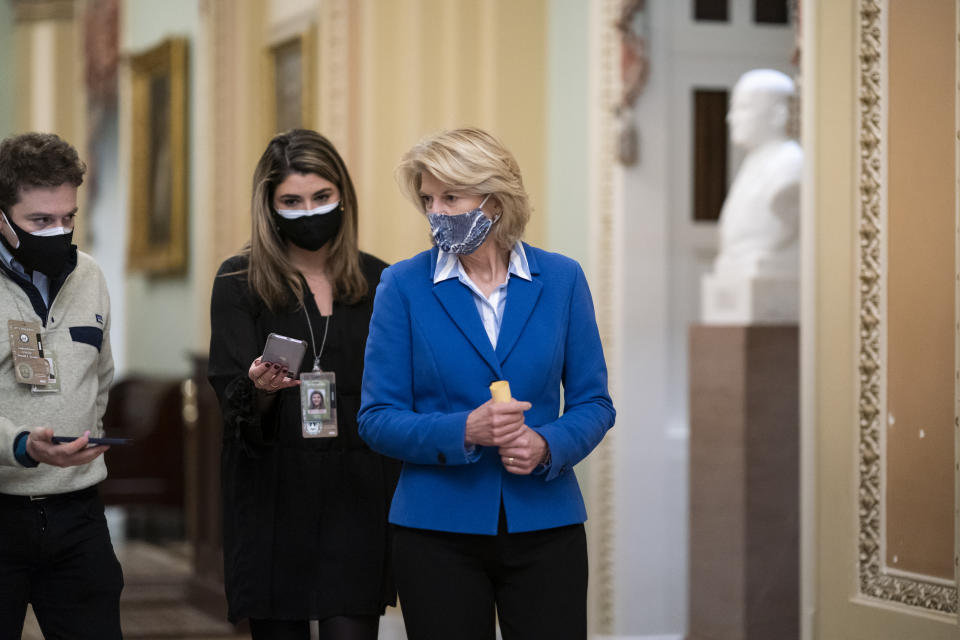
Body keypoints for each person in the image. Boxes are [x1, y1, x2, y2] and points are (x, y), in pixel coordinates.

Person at [358, 127, 616, 640]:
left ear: (495, 202)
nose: (436, 212)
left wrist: (548, 443)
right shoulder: (402, 287)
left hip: (547, 525)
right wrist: (465, 430)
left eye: (450, 197)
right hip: (435, 531)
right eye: (428, 199)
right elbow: (376, 418)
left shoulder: (563, 279)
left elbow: (594, 402)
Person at [208, 129, 400, 640]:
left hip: (357, 493)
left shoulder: (381, 281)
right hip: (274, 496)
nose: (309, 211)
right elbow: (232, 401)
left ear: (343, 197)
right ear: (269, 208)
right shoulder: (238, 281)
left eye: (321, 197)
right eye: (291, 201)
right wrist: (261, 390)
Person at [0, 132, 122, 638]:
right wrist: (21, 445)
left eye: (67, 218)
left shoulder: (90, 276)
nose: (58, 231)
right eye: (39, 221)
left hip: (78, 515)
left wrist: (82, 435)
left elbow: (101, 376)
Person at [714, 68, 802, 278]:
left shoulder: (790, 164)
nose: (730, 118)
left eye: (742, 108)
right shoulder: (751, 165)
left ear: (778, 115)